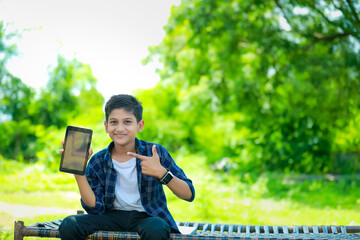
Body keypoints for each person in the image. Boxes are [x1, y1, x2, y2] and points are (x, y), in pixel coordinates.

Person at [58, 94, 195, 240]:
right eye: (114, 122)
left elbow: (189, 194)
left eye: (127, 122)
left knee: (157, 228)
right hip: (110, 217)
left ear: (139, 125)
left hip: (147, 218)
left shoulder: (155, 153)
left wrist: (162, 173)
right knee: (69, 224)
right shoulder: (98, 161)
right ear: (106, 126)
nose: (120, 128)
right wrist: (79, 173)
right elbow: (94, 207)